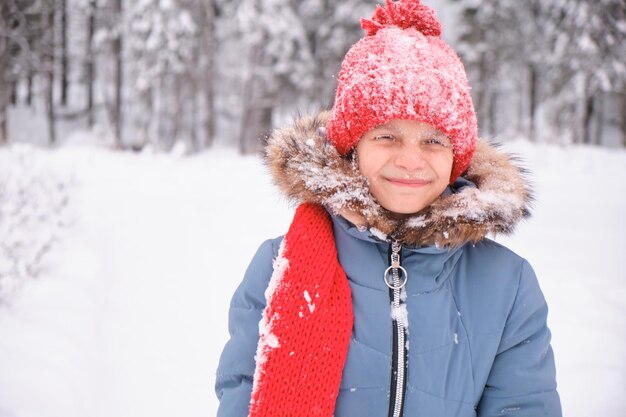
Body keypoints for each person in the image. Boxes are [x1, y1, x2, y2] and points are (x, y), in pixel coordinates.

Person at [215, 1, 562, 416]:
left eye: (434, 141)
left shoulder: (507, 284)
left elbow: (525, 406)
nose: (411, 160)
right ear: (352, 148)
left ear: (457, 155)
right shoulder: (278, 266)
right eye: (386, 136)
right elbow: (243, 396)